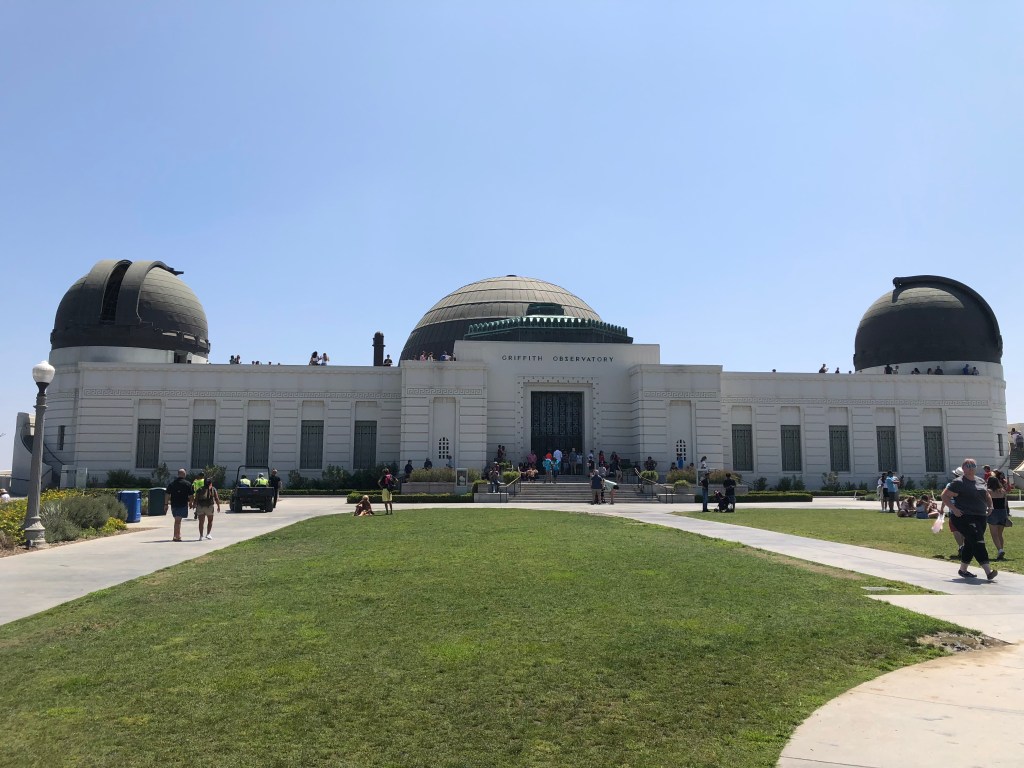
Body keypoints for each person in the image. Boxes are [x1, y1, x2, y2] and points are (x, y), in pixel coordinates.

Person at [941, 458, 997, 581]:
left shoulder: (981, 481)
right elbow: (944, 495)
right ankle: (988, 571)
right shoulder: (958, 482)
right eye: (968, 465)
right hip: (964, 517)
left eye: (973, 465)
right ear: (963, 468)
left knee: (971, 542)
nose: (971, 467)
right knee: (978, 540)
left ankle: (963, 570)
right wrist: (953, 509)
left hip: (981, 516)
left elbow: (987, 494)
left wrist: (990, 506)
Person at [164, 468, 194, 542]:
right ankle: (177, 536)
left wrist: (166, 504)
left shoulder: (172, 483)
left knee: (177, 520)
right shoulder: (188, 484)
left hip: (174, 504)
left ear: (178, 474)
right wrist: (191, 503)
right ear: (184, 474)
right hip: (183, 504)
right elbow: (191, 495)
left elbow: (167, 494)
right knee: (178, 520)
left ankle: (177, 535)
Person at [987, 470, 1010, 561]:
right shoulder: (1003, 491)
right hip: (1002, 512)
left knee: (994, 534)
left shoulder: (988, 491)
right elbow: (1005, 504)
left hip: (993, 512)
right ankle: (1001, 550)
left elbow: (987, 502)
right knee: (1000, 534)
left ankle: (1000, 550)